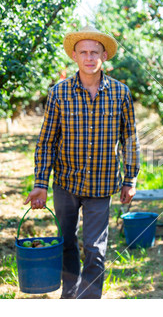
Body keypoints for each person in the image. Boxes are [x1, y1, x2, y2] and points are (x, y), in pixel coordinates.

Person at [24, 25, 140, 299]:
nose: (89, 57)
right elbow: (47, 141)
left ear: (104, 57)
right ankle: (70, 294)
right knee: (66, 244)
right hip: (66, 182)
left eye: (95, 52)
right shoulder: (59, 93)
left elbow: (130, 139)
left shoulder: (120, 93)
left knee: (95, 249)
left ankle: (88, 302)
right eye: (84, 52)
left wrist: (130, 179)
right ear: (74, 56)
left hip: (102, 183)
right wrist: (41, 182)